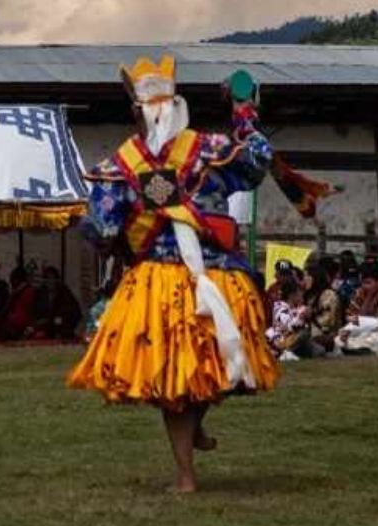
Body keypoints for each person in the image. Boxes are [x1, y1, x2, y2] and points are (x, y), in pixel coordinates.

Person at [67, 60, 281, 493]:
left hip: (158, 287)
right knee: (214, 367)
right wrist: (243, 109)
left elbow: (103, 230)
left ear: (136, 111)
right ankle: (193, 443)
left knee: (175, 380)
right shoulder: (212, 148)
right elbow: (259, 160)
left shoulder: (121, 165)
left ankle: (186, 475)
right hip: (221, 280)